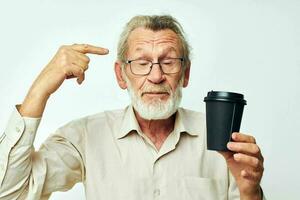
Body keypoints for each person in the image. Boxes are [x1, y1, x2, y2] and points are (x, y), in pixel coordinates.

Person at [0, 15, 265, 200]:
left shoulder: (223, 142)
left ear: (185, 74)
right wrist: (40, 90)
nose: (156, 76)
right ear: (120, 75)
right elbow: (10, 193)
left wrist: (251, 192)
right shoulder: (85, 136)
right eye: (141, 62)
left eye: (169, 62)